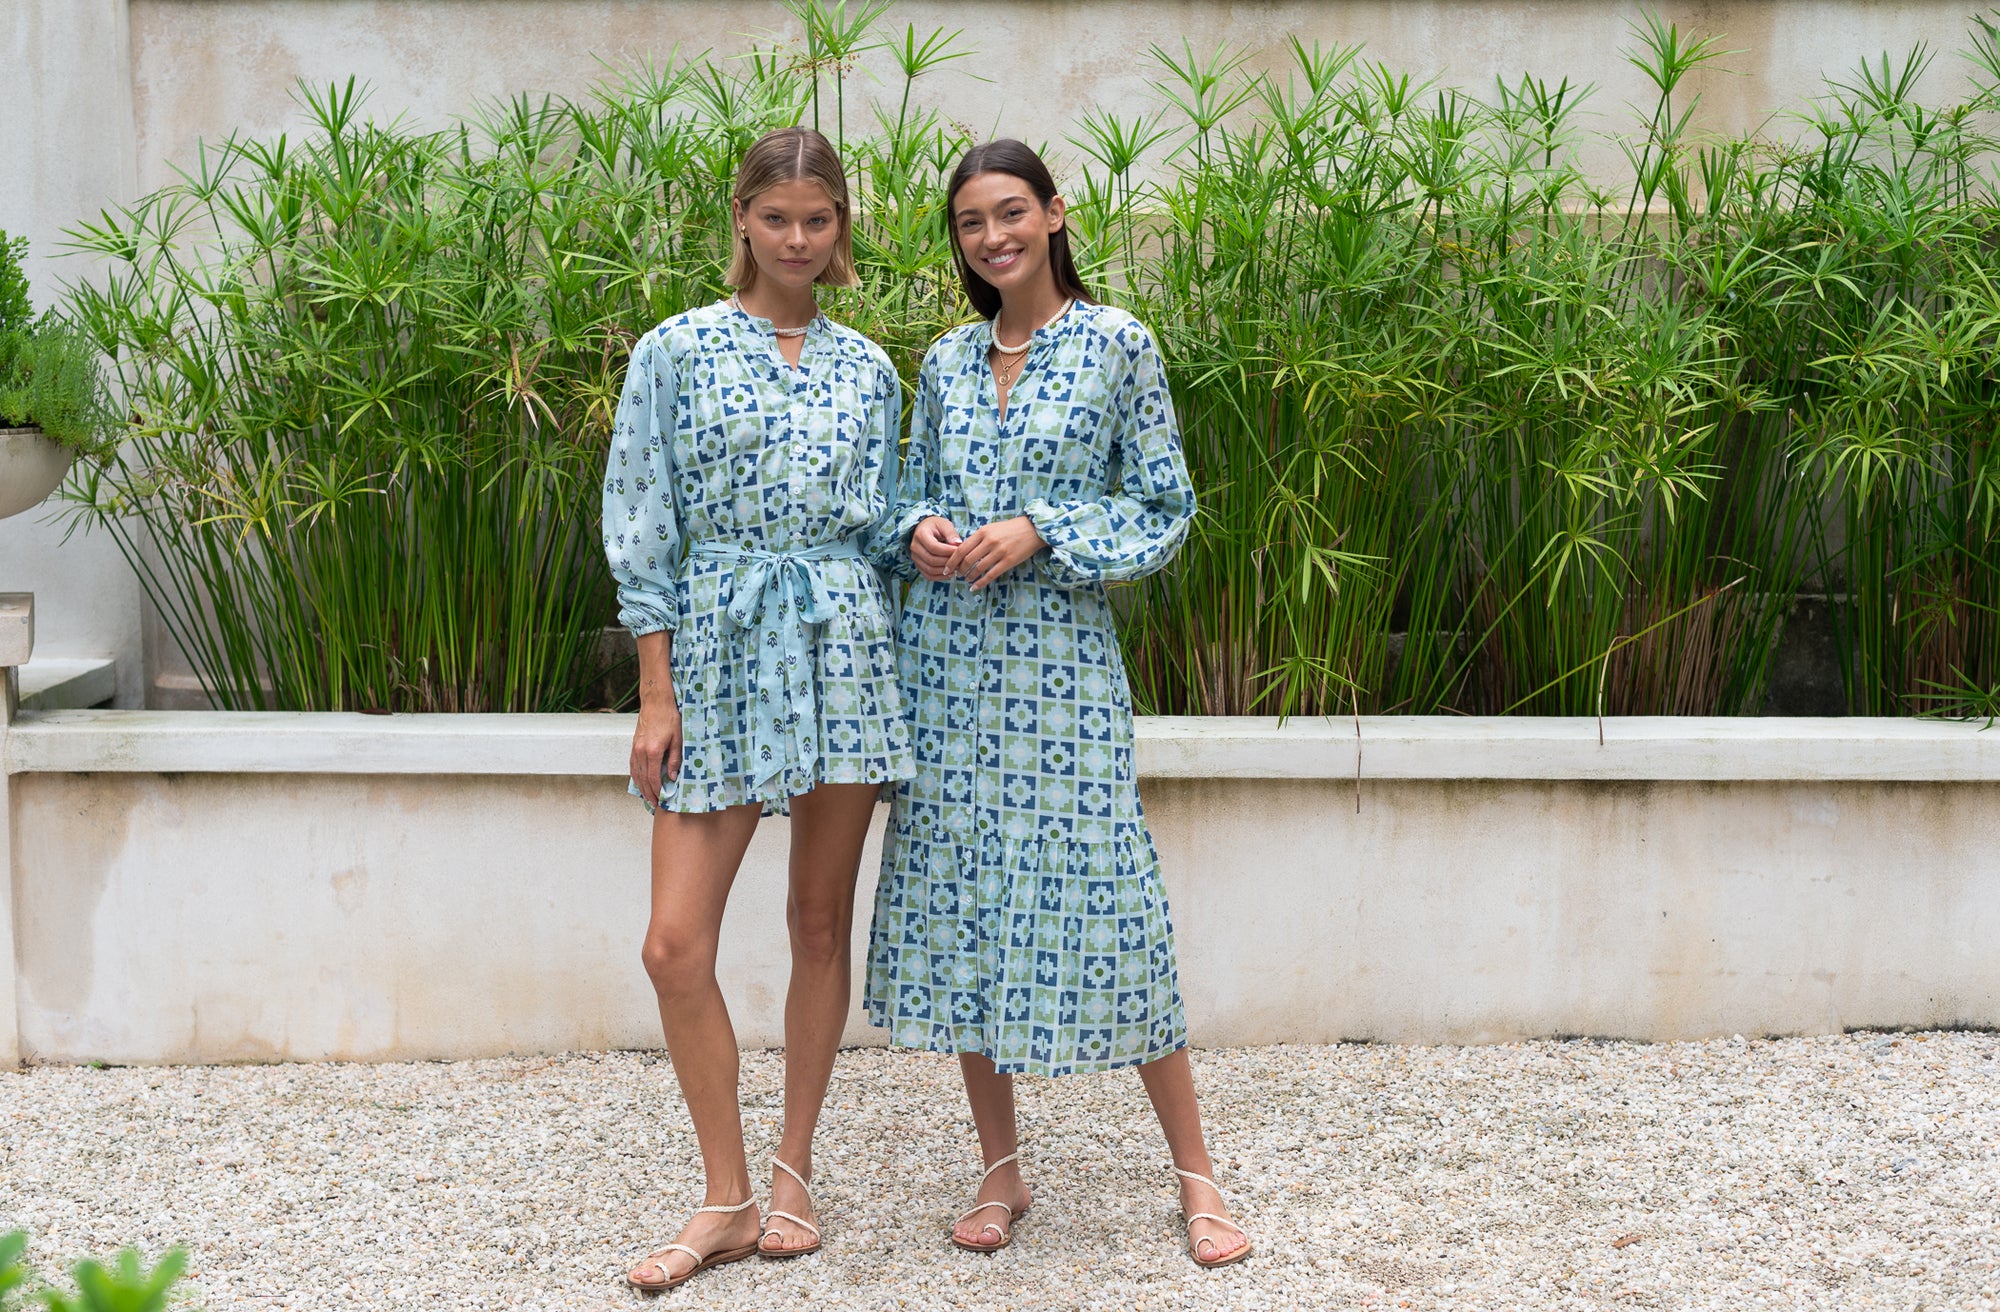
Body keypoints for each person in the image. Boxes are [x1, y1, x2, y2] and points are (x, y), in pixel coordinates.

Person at [864, 139, 1252, 1269]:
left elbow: (1165, 506)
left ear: (1053, 212)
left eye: (1010, 213)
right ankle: (1000, 1167)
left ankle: (1195, 1175)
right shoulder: (941, 358)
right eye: (971, 223)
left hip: (1059, 667)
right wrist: (919, 531)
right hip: (947, 668)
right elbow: (907, 491)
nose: (992, 237)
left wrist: (1047, 527)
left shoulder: (1116, 342)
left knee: (1113, 900)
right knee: (962, 894)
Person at [602, 125, 913, 1293]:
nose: (795, 239)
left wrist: (925, 536)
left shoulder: (869, 367)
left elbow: (876, 520)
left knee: (818, 923)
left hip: (843, 644)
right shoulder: (674, 350)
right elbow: (641, 518)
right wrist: (653, 688)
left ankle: (791, 1172)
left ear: (839, 229)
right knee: (673, 943)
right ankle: (723, 1194)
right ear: (739, 217)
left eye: (817, 220)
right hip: (719, 642)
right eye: (776, 218)